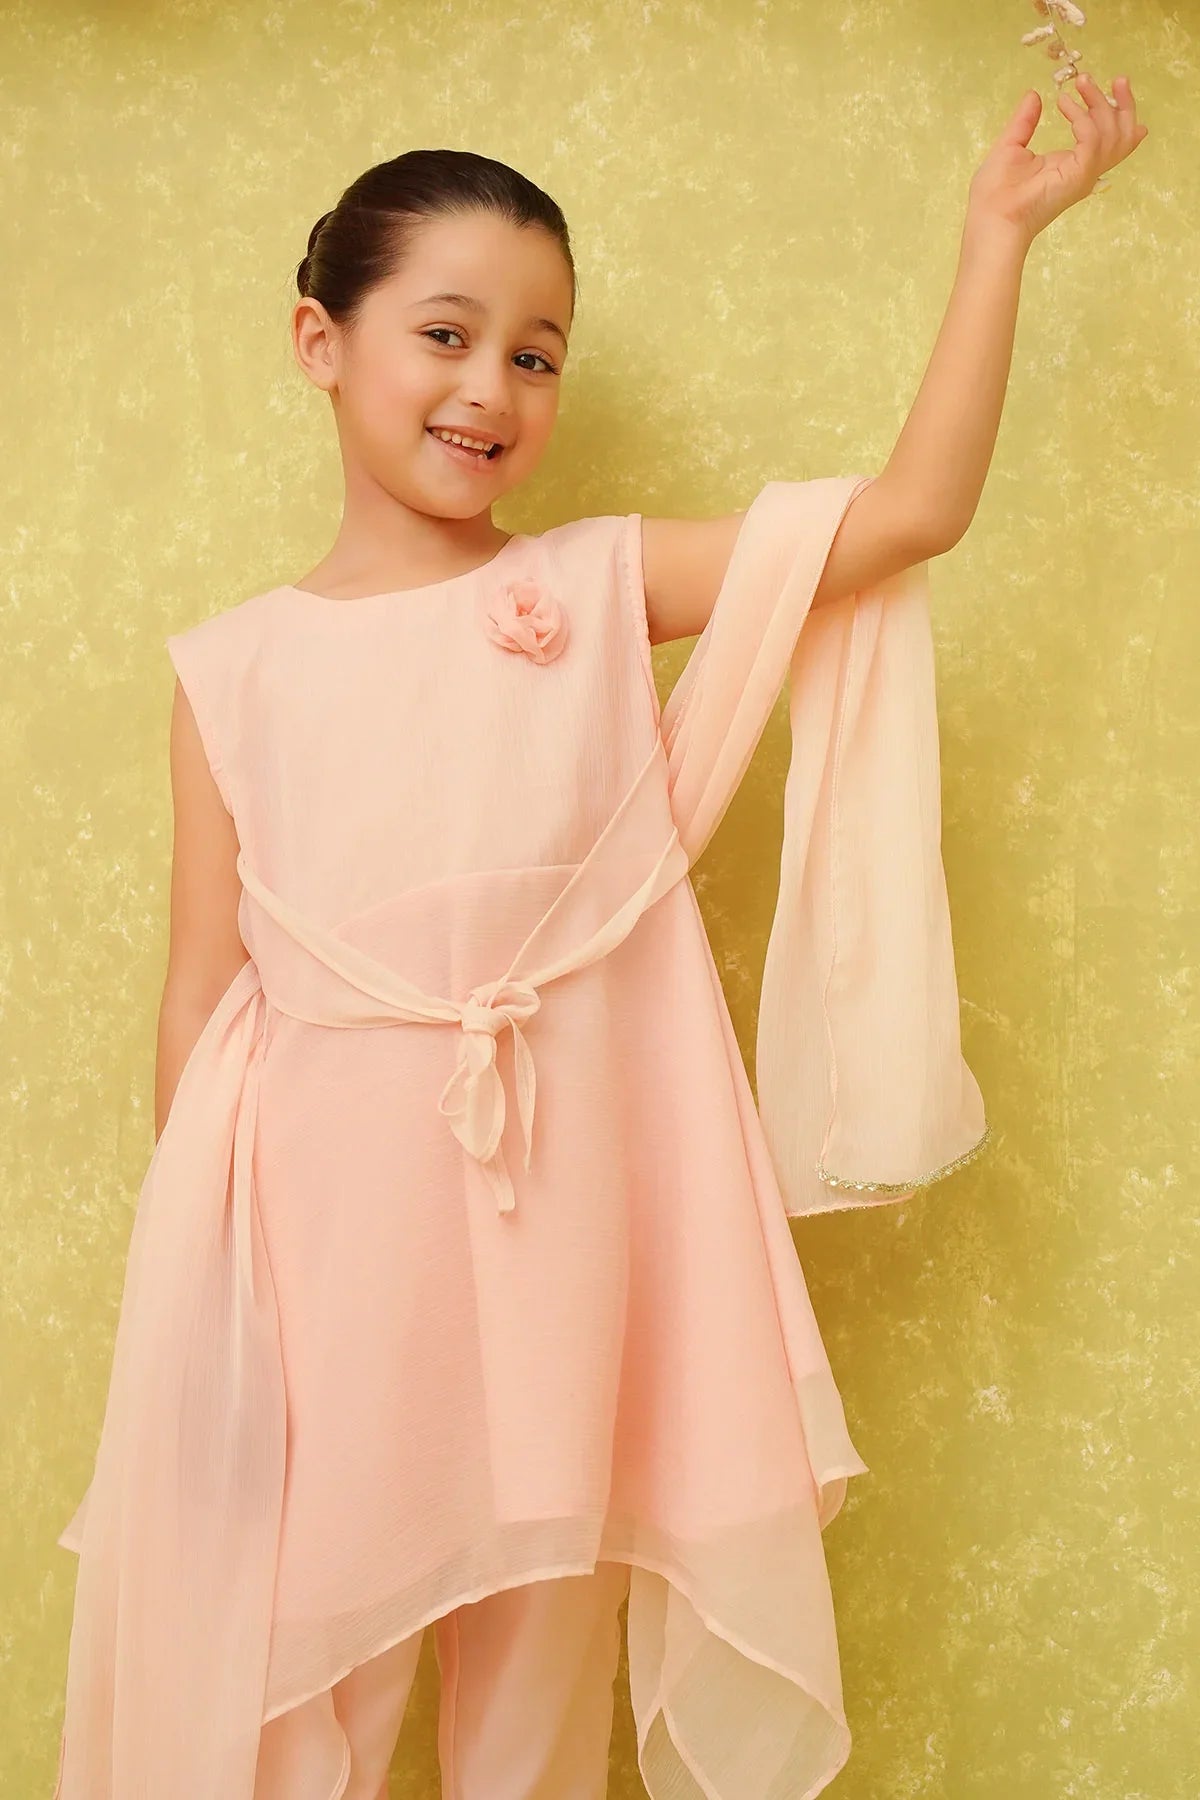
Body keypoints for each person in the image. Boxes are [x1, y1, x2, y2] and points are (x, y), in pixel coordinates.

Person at [51, 76, 1146, 1800]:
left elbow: (906, 514)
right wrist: (209, 1312)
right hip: (326, 1249)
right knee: (289, 1698)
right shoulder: (231, 670)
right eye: (446, 333)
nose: (492, 386)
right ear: (321, 339)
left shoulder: (589, 589)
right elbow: (204, 995)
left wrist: (998, 236)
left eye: (538, 354)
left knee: (537, 1705)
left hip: (560, 1243)